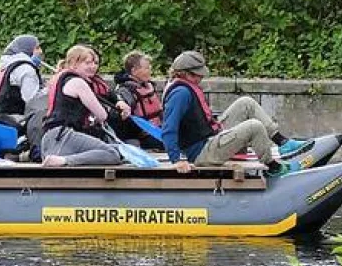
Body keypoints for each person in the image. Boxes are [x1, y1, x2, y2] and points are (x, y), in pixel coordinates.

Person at [160, 50, 310, 176]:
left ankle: (282, 142)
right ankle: (274, 168)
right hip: (201, 153)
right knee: (254, 127)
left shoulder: (185, 88)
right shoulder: (181, 94)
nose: (201, 77)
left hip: (209, 137)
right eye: (196, 75)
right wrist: (176, 160)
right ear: (184, 74)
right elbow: (168, 129)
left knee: (246, 103)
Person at [38, 45, 126, 167]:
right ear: (74, 64)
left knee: (117, 150)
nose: (93, 67)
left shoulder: (62, 79)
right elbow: (102, 115)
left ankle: (62, 159)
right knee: (112, 154)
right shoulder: (78, 83)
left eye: (94, 63)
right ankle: (63, 161)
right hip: (63, 136)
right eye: (87, 63)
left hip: (50, 138)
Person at [0, 34, 44, 126]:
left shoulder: (8, 65)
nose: (40, 51)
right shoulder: (26, 69)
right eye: (37, 48)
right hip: (13, 120)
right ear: (27, 49)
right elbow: (33, 101)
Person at [113, 51, 163, 149]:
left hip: (157, 129)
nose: (150, 70)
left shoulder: (147, 86)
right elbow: (125, 118)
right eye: (147, 68)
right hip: (143, 135)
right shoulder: (126, 90)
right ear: (134, 71)